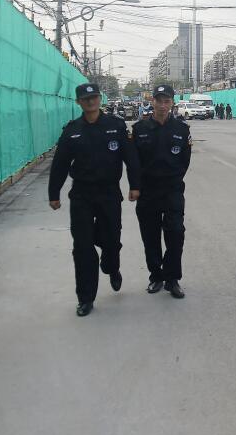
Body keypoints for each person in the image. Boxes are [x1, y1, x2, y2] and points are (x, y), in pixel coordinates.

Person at [48, 83, 141, 317]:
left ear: (100, 99)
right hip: (82, 195)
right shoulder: (71, 131)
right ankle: (86, 298)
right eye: (85, 99)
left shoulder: (116, 126)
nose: (90, 102)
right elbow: (59, 164)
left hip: (109, 194)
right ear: (78, 102)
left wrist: (135, 186)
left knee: (111, 241)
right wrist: (54, 193)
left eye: (94, 98)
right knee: (82, 247)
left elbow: (130, 158)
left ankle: (112, 267)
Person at [131, 84, 192, 297]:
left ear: (172, 103)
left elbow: (185, 161)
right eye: (159, 100)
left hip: (172, 190)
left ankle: (172, 278)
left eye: (167, 101)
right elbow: (134, 162)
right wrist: (135, 186)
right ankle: (156, 276)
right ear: (153, 102)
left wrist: (173, 180)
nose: (163, 105)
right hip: (147, 192)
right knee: (150, 236)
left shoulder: (182, 130)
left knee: (176, 234)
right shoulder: (139, 129)